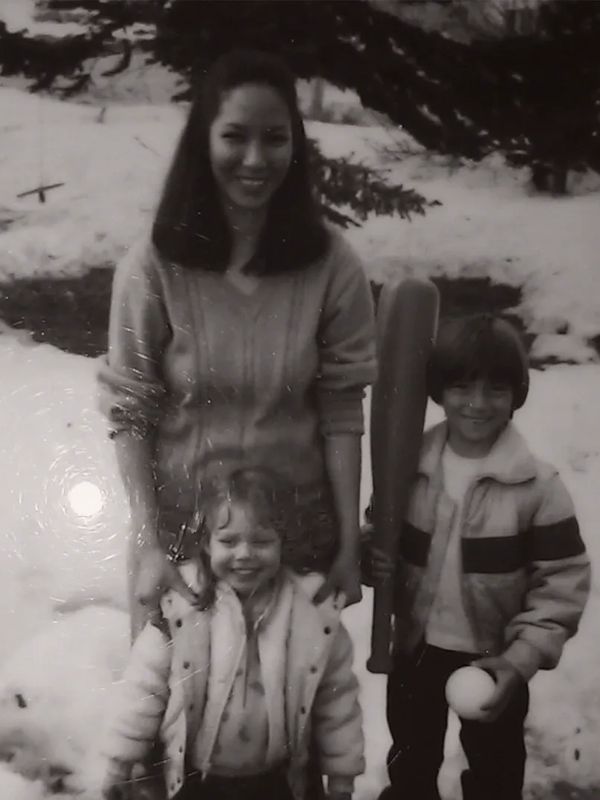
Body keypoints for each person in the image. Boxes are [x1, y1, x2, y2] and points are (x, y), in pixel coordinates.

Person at [97, 48, 377, 636]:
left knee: (290, 718)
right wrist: (149, 544)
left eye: (275, 138)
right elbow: (130, 415)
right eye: (235, 136)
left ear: (295, 146)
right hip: (181, 552)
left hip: (296, 551)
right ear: (203, 141)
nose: (256, 158)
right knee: (172, 717)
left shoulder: (332, 266)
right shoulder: (153, 267)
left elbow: (343, 413)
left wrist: (349, 547)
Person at [363, 313, 590, 800]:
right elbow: (379, 539)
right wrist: (370, 557)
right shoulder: (407, 467)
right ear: (439, 390)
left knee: (495, 775)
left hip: (494, 659)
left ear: (517, 395)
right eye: (463, 387)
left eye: (495, 390)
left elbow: (562, 584)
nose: (478, 404)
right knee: (410, 763)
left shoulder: (536, 487)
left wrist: (519, 660)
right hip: (415, 651)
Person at [100, 466, 365, 800]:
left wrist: (343, 778)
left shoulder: (313, 615)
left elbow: (337, 701)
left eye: (262, 541)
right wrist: (117, 765)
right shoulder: (181, 608)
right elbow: (142, 689)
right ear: (207, 544)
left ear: (284, 541)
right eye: (228, 540)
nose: (244, 554)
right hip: (200, 783)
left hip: (274, 782)